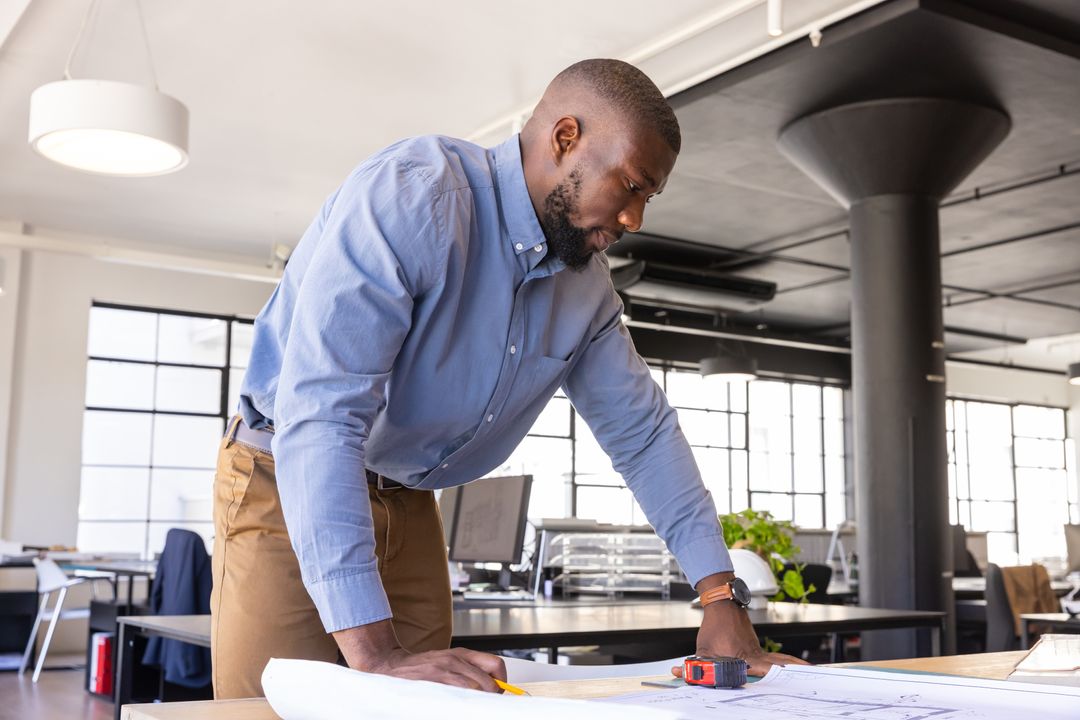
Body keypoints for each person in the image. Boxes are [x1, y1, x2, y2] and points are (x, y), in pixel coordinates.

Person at [210, 58, 805, 699]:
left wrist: (720, 597)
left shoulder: (587, 291)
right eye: (630, 185)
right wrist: (375, 652)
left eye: (648, 197)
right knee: (265, 709)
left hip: (407, 497)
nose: (636, 218)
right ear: (565, 137)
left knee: (433, 707)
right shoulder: (413, 197)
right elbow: (323, 415)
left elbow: (644, 434)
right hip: (285, 471)